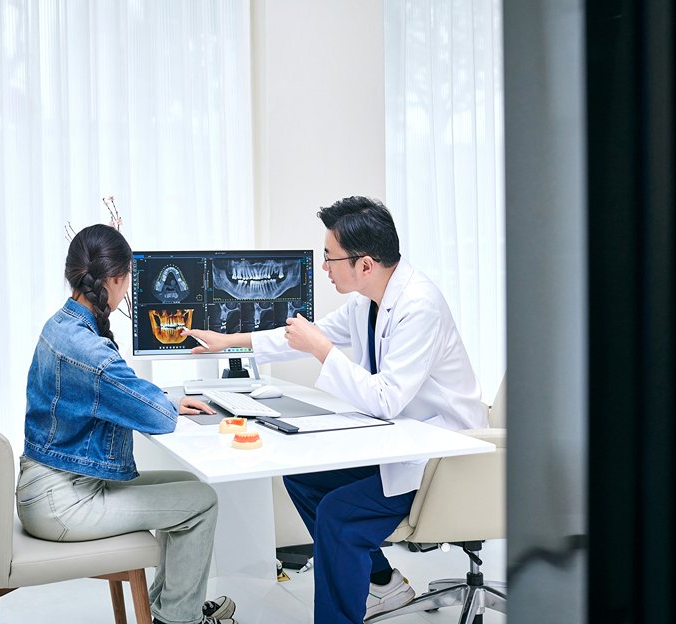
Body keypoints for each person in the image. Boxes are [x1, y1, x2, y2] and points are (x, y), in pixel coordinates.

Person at [184, 197, 486, 624]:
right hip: (405, 445)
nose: (324, 267)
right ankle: (383, 585)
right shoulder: (370, 299)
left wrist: (322, 351)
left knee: (337, 516)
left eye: (330, 258)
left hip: (441, 460)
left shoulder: (419, 306)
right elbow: (303, 335)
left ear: (364, 264)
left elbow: (385, 398)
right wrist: (228, 341)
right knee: (302, 475)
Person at [16, 224, 238, 624]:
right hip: (63, 502)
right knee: (202, 503)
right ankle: (178, 619)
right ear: (117, 279)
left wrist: (165, 399)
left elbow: (123, 393)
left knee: (191, 488)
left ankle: (166, 611)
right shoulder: (89, 350)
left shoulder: (62, 326)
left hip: (46, 487)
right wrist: (164, 404)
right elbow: (154, 417)